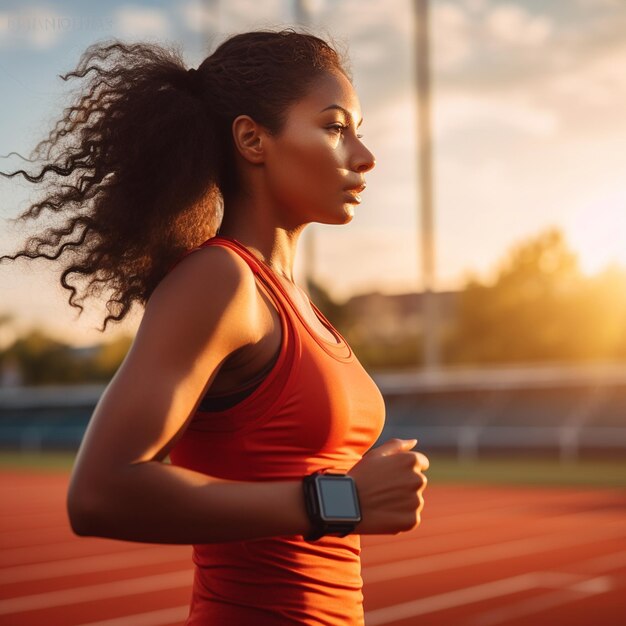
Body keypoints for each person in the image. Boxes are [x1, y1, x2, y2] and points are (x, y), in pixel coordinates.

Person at [1, 29, 429, 625]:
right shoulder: (221, 281)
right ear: (253, 139)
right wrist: (342, 500)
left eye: (358, 130)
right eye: (335, 127)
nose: (364, 154)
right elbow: (100, 493)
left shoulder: (293, 301)